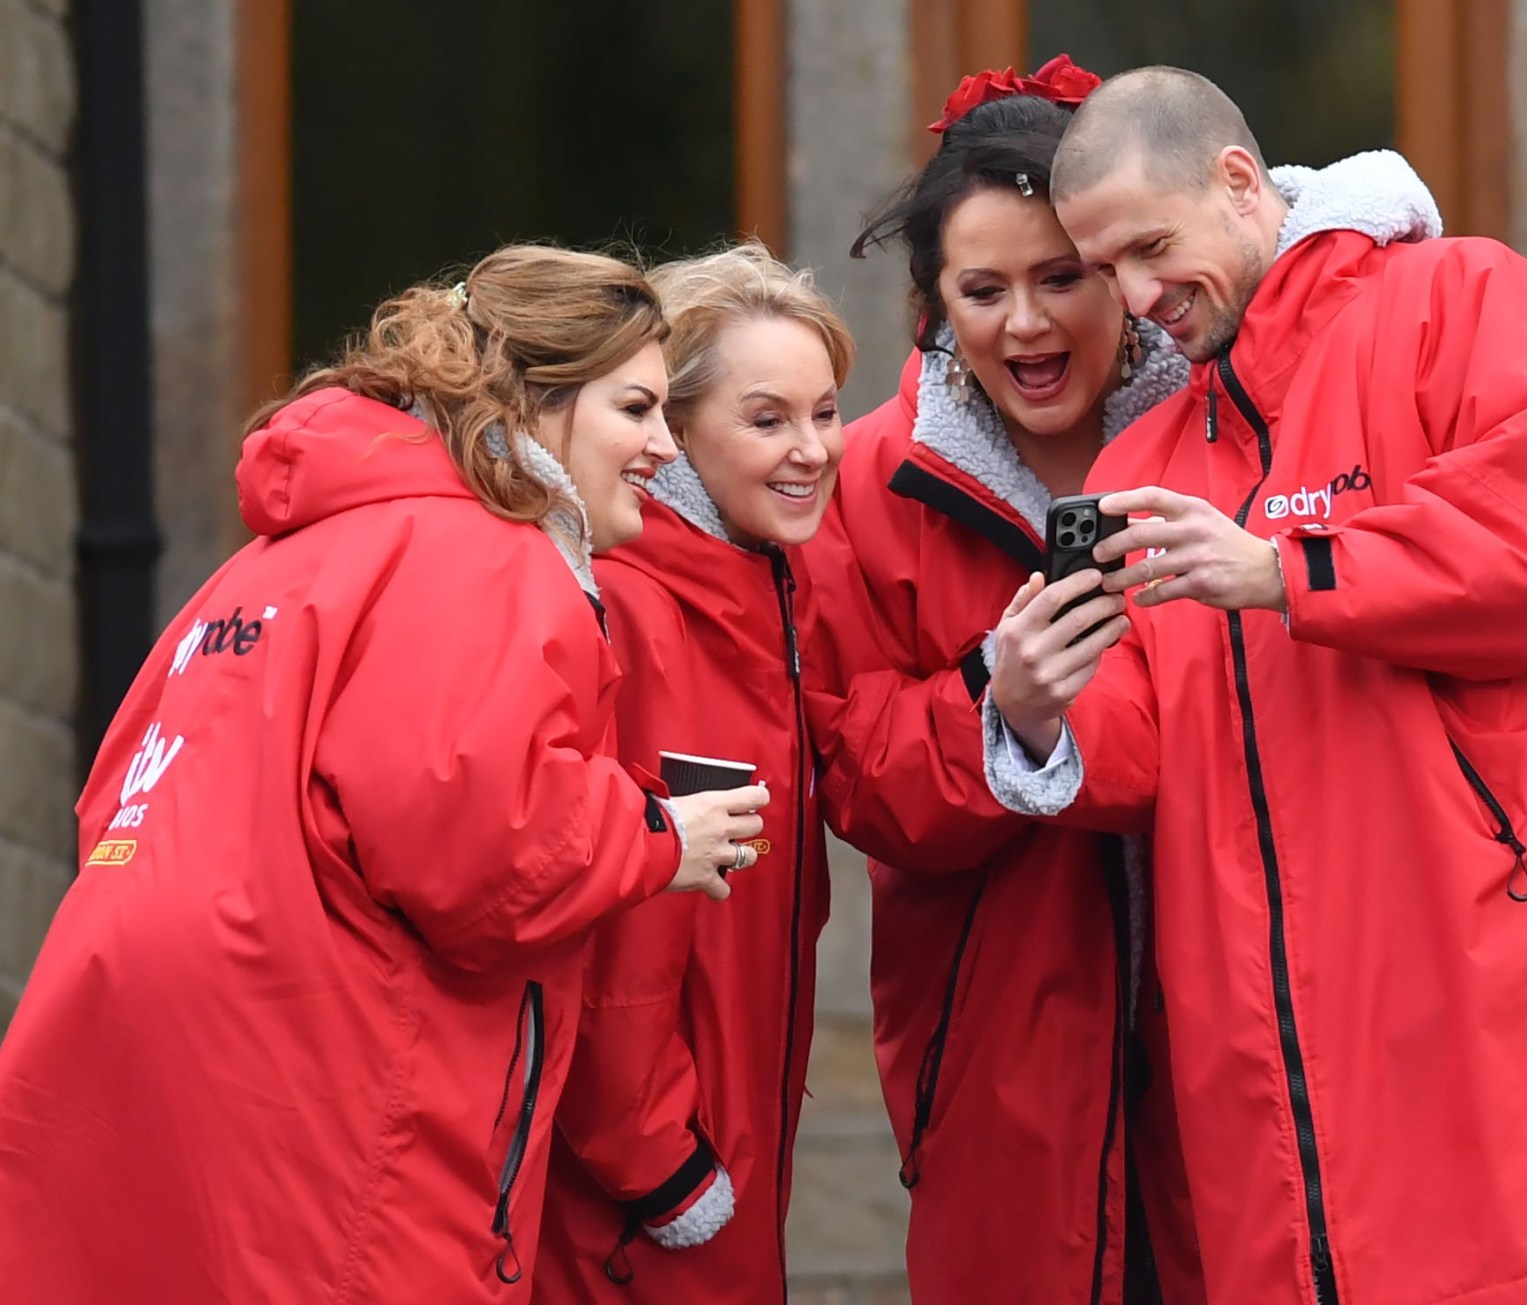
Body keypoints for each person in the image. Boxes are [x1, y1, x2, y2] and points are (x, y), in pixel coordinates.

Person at [985, 67, 1527, 1304]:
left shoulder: (1464, 300)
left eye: (1150, 249)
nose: (1139, 299)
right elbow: (1153, 746)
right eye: (1106, 272)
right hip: (1294, 1107)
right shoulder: (1152, 455)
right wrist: (1037, 707)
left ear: (1240, 181)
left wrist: (1286, 567)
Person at [0, 245, 769, 1304]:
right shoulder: (490, 554)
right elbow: (479, 850)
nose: (662, 445)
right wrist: (655, 834)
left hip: (132, 1013)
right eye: (633, 408)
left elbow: (115, 794)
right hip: (317, 1044)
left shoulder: (276, 557)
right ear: (537, 402)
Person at [799, 56, 1198, 1304]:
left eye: (1060, 278)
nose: (1024, 324)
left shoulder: (1230, 438)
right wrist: (1001, 711)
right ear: (932, 302)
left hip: (1231, 1011)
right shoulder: (867, 483)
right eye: (983, 290)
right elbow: (854, 775)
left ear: (1124, 276)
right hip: (1001, 1046)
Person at [534, 243, 853, 1303]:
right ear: (672, 436)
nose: (811, 450)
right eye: (767, 420)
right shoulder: (632, 608)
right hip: (638, 1207)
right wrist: (660, 1165)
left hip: (714, 1161)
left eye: (825, 412)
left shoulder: (766, 603)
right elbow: (607, 910)